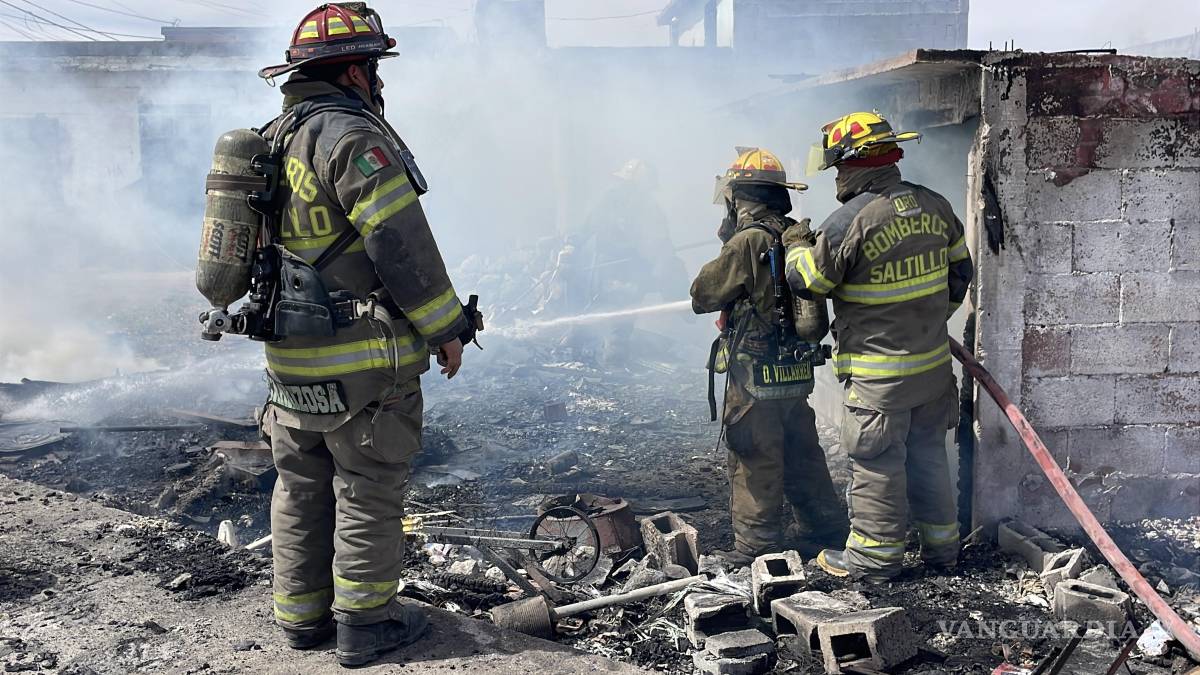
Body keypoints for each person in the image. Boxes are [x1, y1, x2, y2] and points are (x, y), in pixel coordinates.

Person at [254, 3, 468, 665]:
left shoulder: (268, 139)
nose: (379, 83)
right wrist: (446, 327)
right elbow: (399, 245)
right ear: (352, 71)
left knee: (299, 485)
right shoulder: (351, 138)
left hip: (288, 361)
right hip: (365, 363)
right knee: (368, 487)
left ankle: (300, 620)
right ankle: (367, 624)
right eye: (373, 69)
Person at [784, 111, 972, 583]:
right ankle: (942, 550)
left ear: (855, 163)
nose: (837, 179)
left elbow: (810, 282)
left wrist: (794, 248)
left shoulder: (849, 220)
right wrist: (924, 323)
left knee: (878, 463)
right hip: (932, 371)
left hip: (878, 379)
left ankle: (875, 558)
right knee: (929, 452)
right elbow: (959, 278)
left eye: (838, 169)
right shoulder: (936, 206)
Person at [690, 148, 849, 567]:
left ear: (740, 195)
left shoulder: (747, 241)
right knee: (801, 446)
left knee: (754, 452)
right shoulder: (796, 233)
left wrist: (728, 246)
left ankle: (757, 544)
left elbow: (702, 294)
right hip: (795, 369)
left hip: (754, 371)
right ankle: (823, 526)